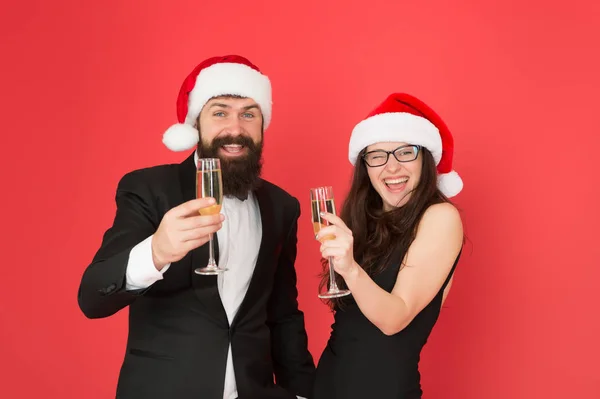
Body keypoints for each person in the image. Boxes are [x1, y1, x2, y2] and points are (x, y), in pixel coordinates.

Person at [77, 55, 315, 399]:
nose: (235, 129)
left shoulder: (282, 207)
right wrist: (155, 252)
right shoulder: (149, 189)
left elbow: (283, 315)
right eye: (220, 113)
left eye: (249, 114)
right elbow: (92, 297)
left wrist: (304, 391)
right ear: (196, 124)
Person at [311, 93, 465, 398]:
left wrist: (350, 269)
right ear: (365, 166)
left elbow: (395, 318)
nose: (391, 168)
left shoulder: (440, 217)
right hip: (327, 385)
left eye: (405, 152)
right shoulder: (363, 219)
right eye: (377, 155)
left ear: (425, 159)